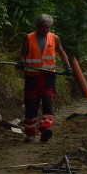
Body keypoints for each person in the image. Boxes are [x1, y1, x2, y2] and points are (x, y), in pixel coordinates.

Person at [18, 14, 72, 143]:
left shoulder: (54, 38)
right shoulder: (29, 38)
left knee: (48, 102)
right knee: (31, 104)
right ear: (37, 26)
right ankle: (30, 133)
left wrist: (68, 67)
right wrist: (21, 62)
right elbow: (23, 54)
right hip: (31, 77)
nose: (45, 30)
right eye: (43, 28)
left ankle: (45, 129)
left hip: (48, 76)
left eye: (47, 28)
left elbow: (62, 52)